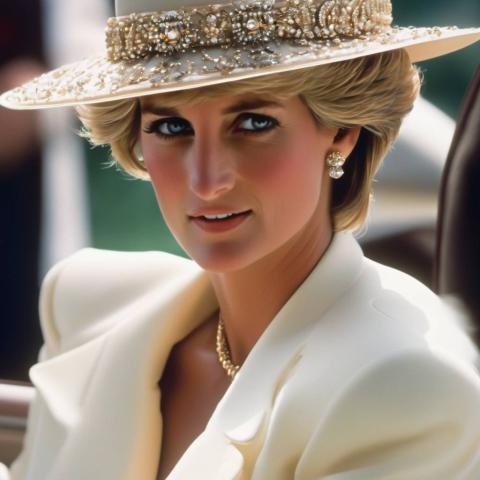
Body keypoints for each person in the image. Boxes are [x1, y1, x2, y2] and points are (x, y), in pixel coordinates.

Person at [1, 0, 480, 479]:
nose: (207, 181)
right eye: (172, 127)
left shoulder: (405, 384)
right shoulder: (88, 306)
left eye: (253, 123)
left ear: (342, 130)